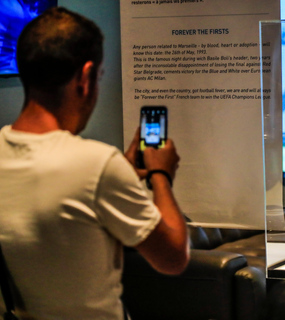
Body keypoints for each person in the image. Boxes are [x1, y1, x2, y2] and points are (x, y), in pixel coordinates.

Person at [0, 7, 189, 320]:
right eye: (100, 78)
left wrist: (123, 174)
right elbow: (173, 257)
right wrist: (160, 175)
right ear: (85, 78)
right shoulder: (98, 164)